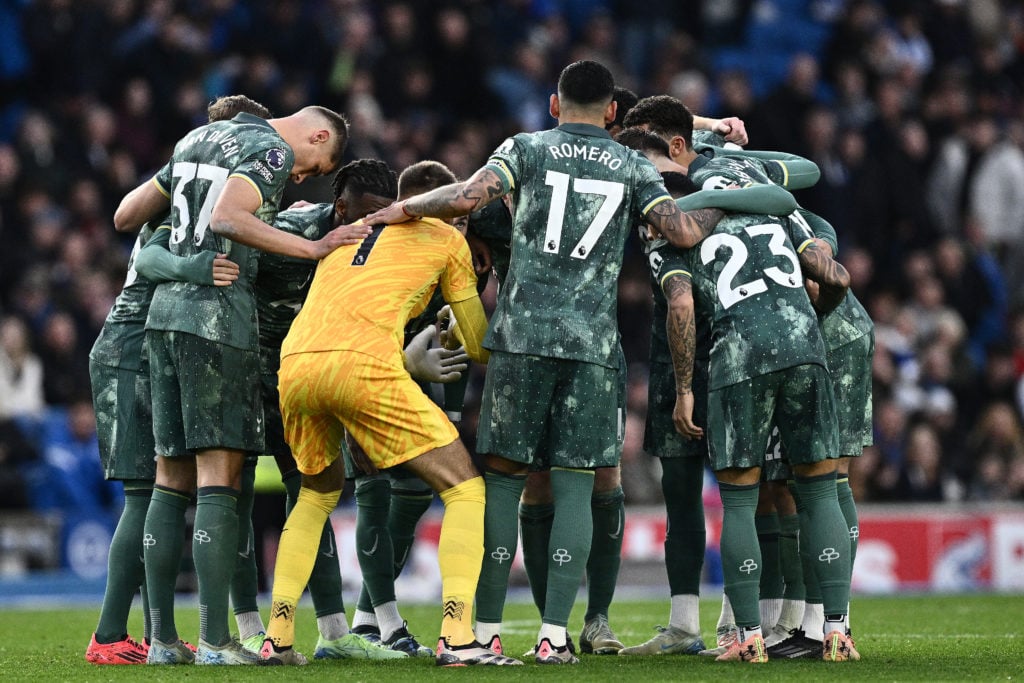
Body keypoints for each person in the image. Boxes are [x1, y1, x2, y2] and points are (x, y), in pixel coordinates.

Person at [361, 60, 727, 664]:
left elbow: (467, 195)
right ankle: (558, 634)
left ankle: (484, 630)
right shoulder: (634, 163)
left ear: (555, 106)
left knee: (503, 483)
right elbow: (683, 231)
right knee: (577, 485)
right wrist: (733, 200)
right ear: (613, 114)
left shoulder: (525, 148)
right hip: (591, 347)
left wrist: (399, 210)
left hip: (521, 339)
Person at [113, 103, 362, 666]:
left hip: (163, 315)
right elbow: (228, 217)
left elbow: (128, 215)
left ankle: (162, 642)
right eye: (313, 164)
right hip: (216, 320)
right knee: (219, 476)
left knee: (169, 477)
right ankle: (216, 641)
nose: (301, 177)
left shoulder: (195, 137)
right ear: (318, 133)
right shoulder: (270, 149)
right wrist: (313, 246)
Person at [260, 164, 518, 667]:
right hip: (362, 365)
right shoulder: (446, 239)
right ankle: (458, 637)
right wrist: (447, 330)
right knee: (466, 489)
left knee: (315, 496)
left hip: (295, 366)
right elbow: (477, 344)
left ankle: (278, 636)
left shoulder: (351, 234)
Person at [83, 94, 264, 665]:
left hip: (147, 345)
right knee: (148, 493)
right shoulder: (188, 200)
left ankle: (157, 635)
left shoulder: (186, 199)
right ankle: (113, 634)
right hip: (133, 347)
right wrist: (193, 267)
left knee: (164, 490)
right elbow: (149, 257)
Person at [614, 128, 799, 657]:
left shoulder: (710, 175)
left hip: (734, 343)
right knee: (683, 488)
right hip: (678, 353)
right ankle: (686, 622)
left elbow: (792, 183)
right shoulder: (641, 204)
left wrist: (712, 161)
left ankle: (757, 620)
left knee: (755, 485)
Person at [652, 194, 859, 662]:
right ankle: (836, 631)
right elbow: (838, 276)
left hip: (739, 356)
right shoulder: (775, 211)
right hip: (805, 347)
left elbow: (681, 305)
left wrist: (685, 390)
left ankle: (748, 637)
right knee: (821, 491)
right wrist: (818, 313)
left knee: (740, 498)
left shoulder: (674, 230)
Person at [345, 160, 472, 660]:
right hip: (360, 376)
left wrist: (455, 417)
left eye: (463, 219)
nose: (459, 226)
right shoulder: (377, 248)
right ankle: (382, 622)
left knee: (416, 494)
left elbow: (457, 342)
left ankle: (362, 616)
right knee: (372, 490)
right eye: (451, 217)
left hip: (417, 387)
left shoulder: (458, 254)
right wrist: (405, 361)